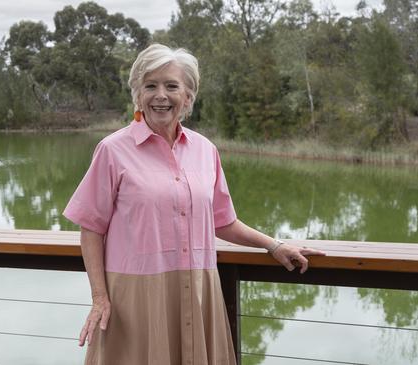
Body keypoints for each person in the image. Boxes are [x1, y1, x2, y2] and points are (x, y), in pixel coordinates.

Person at [63, 43, 324, 365]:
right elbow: (91, 228)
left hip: (199, 290)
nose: (161, 95)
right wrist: (99, 298)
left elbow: (222, 221)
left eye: (172, 86)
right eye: (150, 86)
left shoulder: (205, 150)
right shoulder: (112, 150)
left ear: (187, 97)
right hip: (135, 298)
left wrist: (274, 245)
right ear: (138, 96)